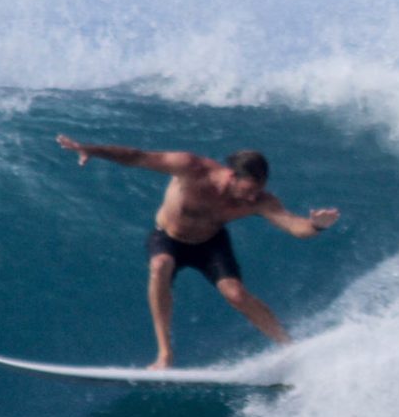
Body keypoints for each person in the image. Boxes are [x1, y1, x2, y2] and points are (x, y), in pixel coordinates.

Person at [55, 136, 338, 366]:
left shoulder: (260, 200)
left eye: (259, 190)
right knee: (160, 266)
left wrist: (316, 225)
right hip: (168, 237)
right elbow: (136, 156)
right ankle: (165, 354)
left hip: (210, 244)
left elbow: (292, 225)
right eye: (248, 189)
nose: (252, 197)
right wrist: (91, 149)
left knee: (236, 294)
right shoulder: (191, 168)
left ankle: (290, 349)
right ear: (232, 175)